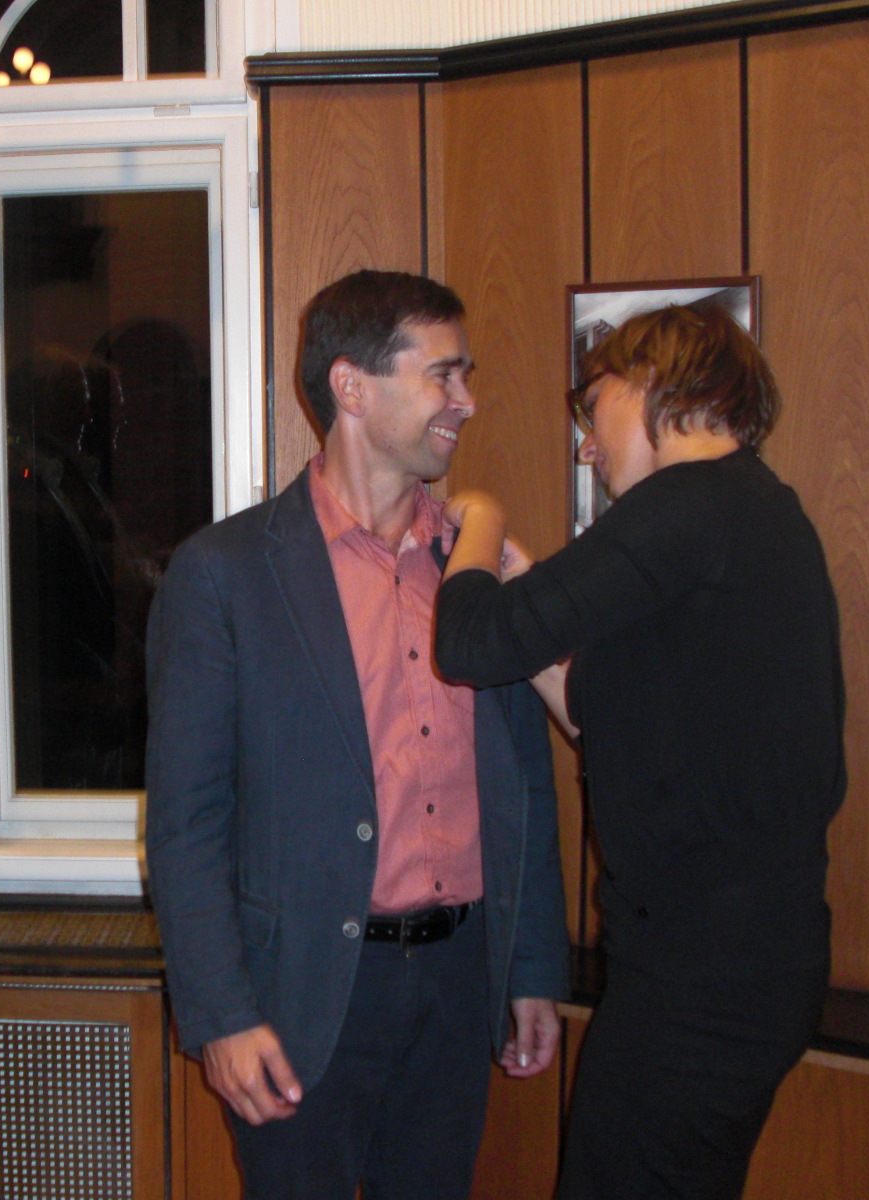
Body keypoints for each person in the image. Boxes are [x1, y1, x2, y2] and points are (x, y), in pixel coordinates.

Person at [145, 269, 570, 1200]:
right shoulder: (224, 575)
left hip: (459, 981)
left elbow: (523, 781)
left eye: (466, 375)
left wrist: (532, 966)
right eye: (443, 374)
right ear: (352, 386)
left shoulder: (475, 568)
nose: (468, 400)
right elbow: (186, 824)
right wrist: (220, 1014)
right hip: (301, 990)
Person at [434, 303, 845, 1200]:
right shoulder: (754, 510)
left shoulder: (687, 504)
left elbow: (468, 643)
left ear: (653, 380)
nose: (588, 447)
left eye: (593, 410)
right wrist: (526, 596)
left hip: (704, 978)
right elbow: (604, 714)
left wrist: (479, 521)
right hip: (736, 964)